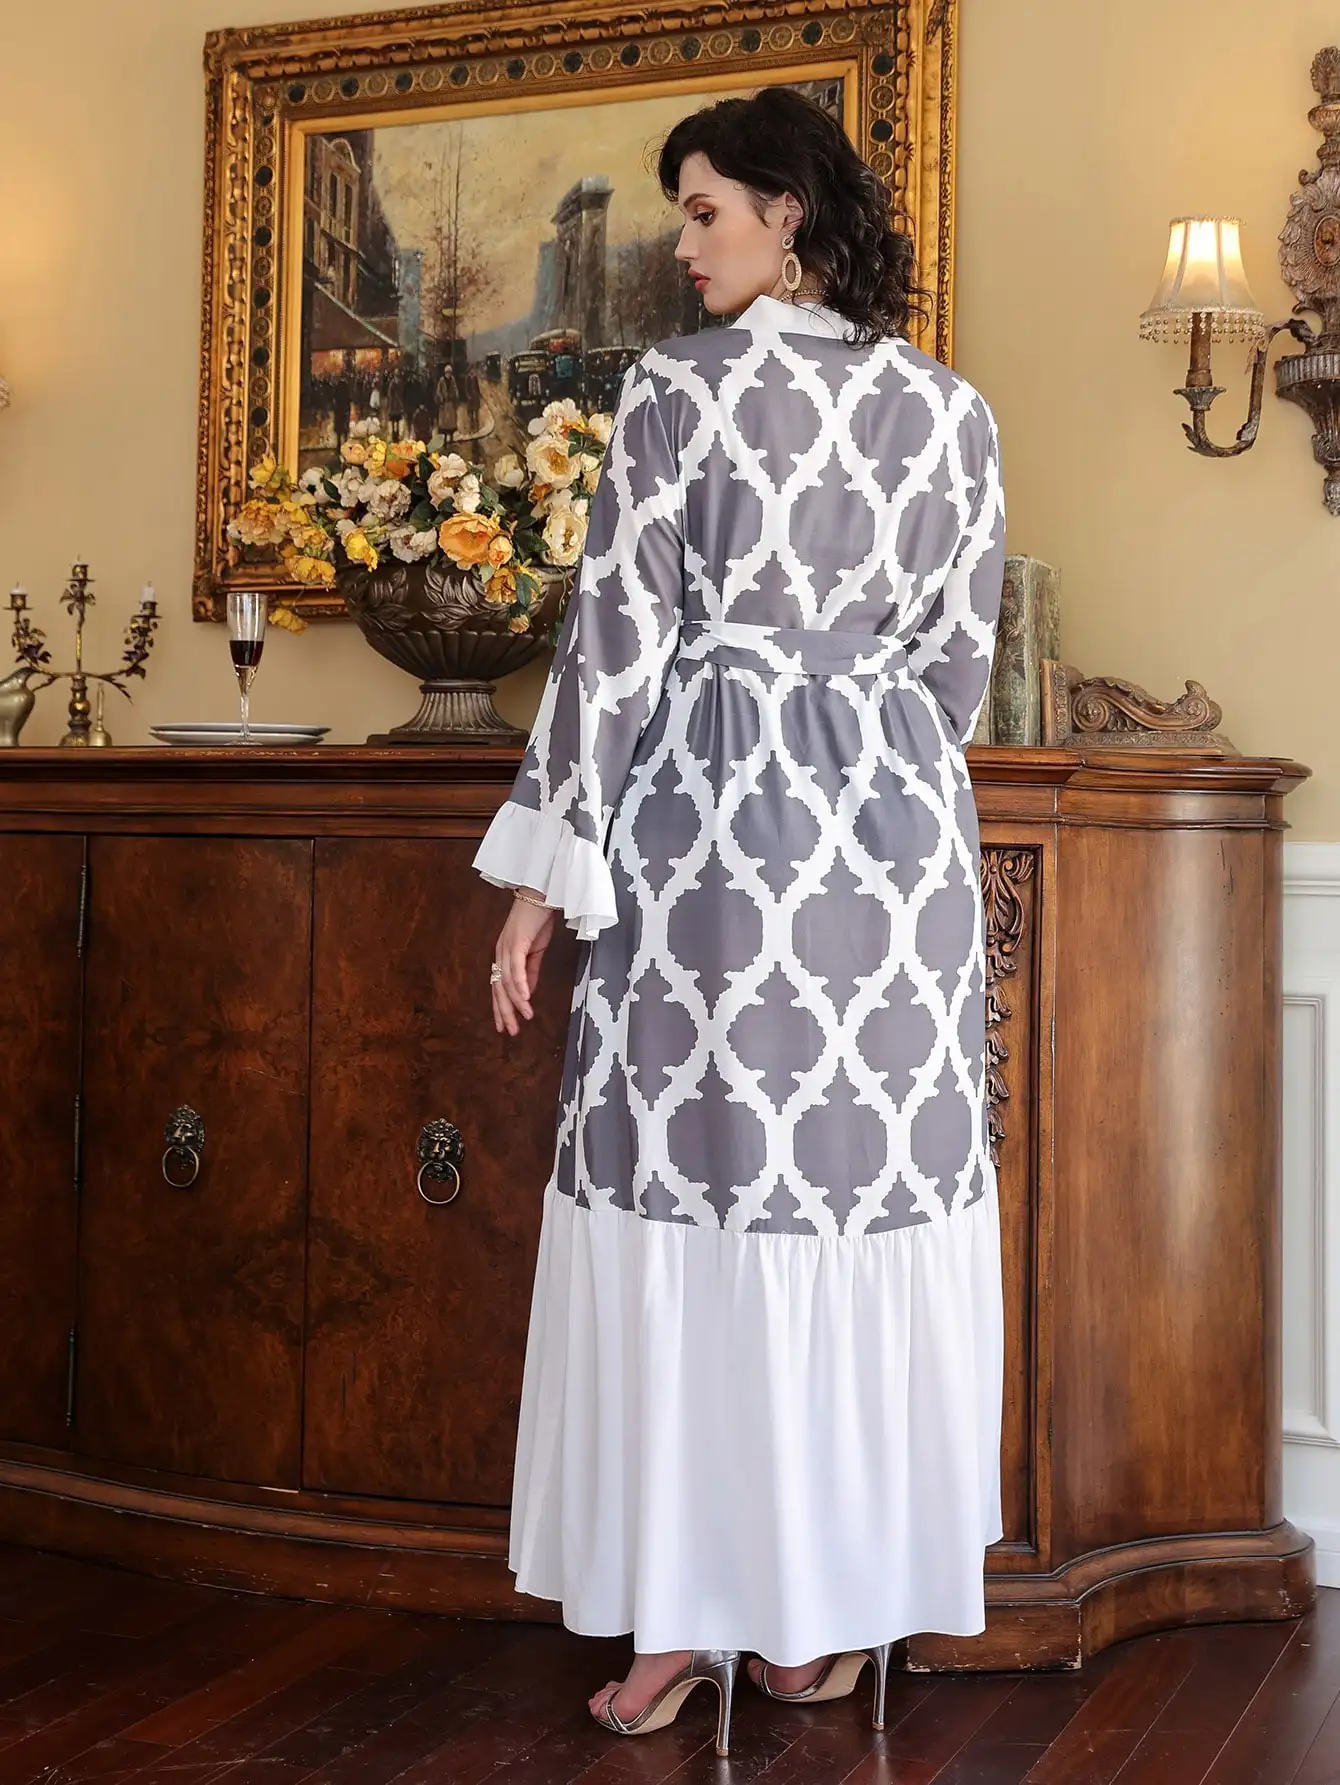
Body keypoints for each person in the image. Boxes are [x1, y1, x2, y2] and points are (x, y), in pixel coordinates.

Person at [471, 83, 1006, 1758]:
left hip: (709, 848)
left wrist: (539, 886)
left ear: (790, 212)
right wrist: (857, 739)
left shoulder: (673, 395)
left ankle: (682, 1628)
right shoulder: (957, 414)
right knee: (846, 1210)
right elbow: (961, 670)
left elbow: (614, 649)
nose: (683, 247)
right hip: (901, 858)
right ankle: (818, 1623)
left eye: (704, 213)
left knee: (693, 1210)